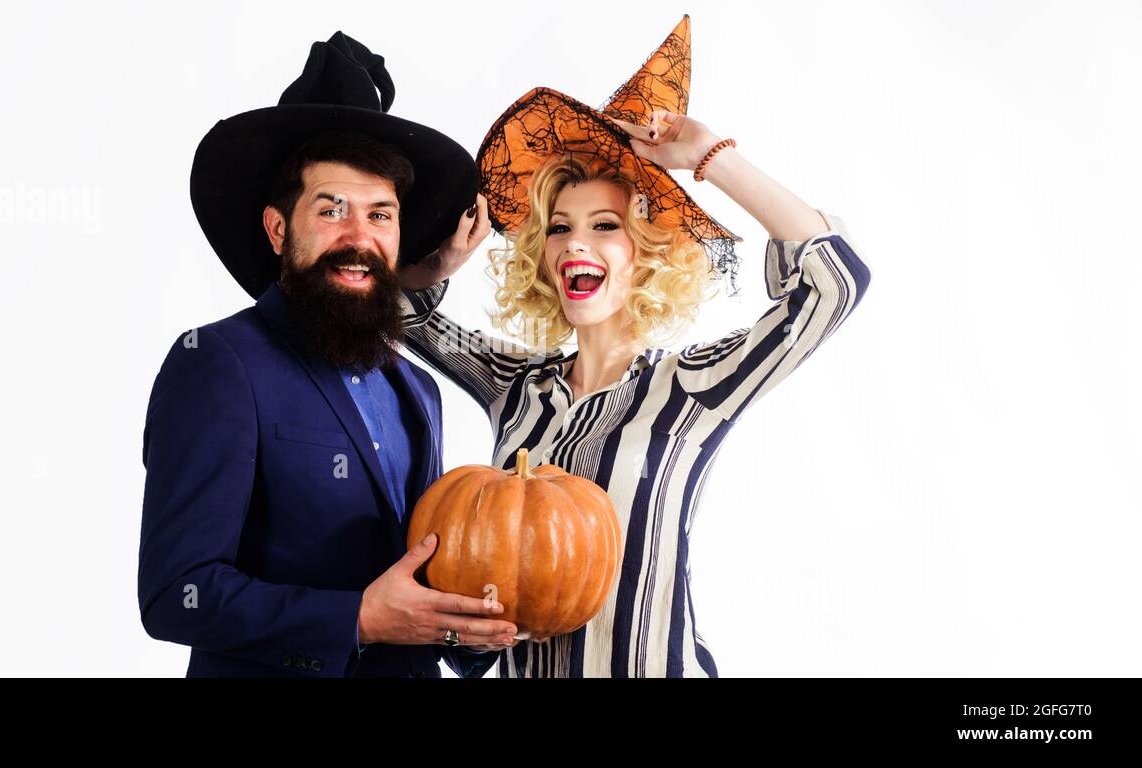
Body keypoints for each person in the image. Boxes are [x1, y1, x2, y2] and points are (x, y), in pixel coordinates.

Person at [394, 15, 872, 677]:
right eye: (558, 228)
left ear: (645, 253)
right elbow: (395, 311)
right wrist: (442, 261)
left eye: (604, 225)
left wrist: (711, 157)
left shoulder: (693, 385)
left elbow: (835, 283)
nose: (575, 244)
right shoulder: (515, 384)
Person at [137, 30, 516, 678]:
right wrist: (358, 618)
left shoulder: (415, 392)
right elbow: (176, 595)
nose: (359, 237)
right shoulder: (219, 363)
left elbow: (418, 588)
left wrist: (472, 631)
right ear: (279, 229)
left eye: (381, 215)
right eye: (332, 209)